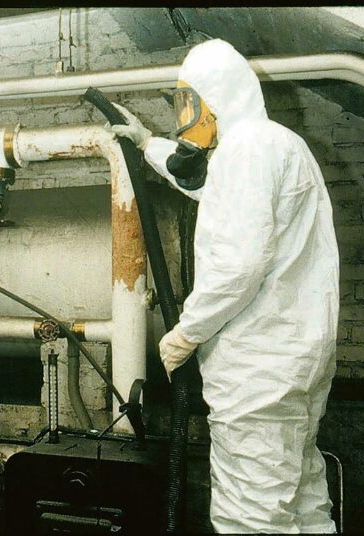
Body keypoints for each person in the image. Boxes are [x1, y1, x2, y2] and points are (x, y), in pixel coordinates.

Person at [108, 39, 339, 533]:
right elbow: (207, 187)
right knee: (301, 498)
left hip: (258, 372)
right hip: (294, 363)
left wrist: (186, 333)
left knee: (249, 516)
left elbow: (240, 265)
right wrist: (147, 143)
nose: (186, 115)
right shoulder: (276, 143)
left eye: (188, 101)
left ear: (215, 96)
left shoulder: (245, 150)